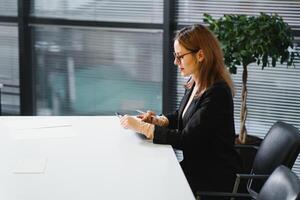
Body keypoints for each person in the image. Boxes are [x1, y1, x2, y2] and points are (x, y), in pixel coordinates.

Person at [119, 24, 242, 199]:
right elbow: (181, 116)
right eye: (175, 56)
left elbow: (187, 139)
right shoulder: (196, 81)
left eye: (180, 56)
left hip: (212, 176)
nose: (176, 62)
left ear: (200, 55)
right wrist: (157, 121)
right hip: (196, 167)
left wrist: (143, 128)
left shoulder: (217, 93)